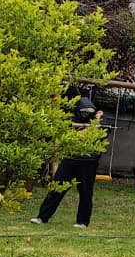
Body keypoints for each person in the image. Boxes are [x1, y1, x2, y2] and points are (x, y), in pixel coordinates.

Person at [30, 95, 104, 228]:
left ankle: (82, 221)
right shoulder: (71, 121)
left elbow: (101, 138)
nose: (86, 114)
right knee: (57, 188)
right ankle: (42, 217)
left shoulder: (96, 121)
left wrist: (97, 121)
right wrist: (93, 125)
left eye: (89, 112)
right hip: (70, 160)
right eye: (84, 111)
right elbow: (77, 136)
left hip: (89, 161)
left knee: (86, 192)